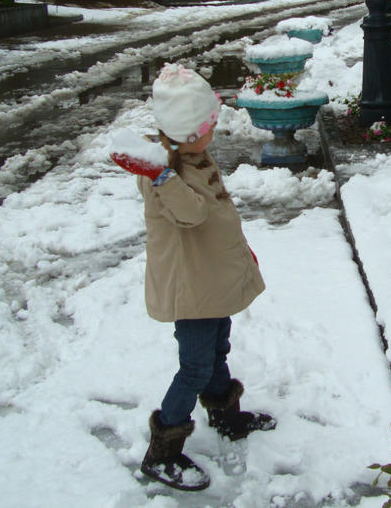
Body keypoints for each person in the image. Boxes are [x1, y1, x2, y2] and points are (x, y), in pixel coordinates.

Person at [110, 63, 275, 492]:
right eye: (209, 125)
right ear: (188, 132)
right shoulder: (164, 172)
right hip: (194, 287)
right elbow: (193, 213)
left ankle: (226, 416)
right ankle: (162, 449)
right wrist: (162, 177)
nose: (214, 130)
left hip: (213, 278)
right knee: (195, 366)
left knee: (217, 348)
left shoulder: (191, 154)